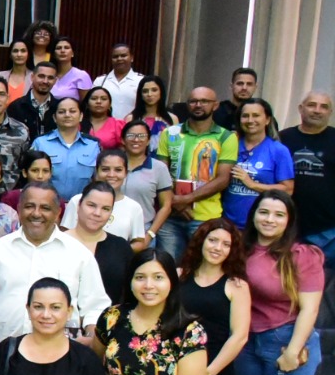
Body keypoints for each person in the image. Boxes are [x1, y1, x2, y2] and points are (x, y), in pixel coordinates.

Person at [236, 191, 325, 375]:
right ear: (253, 215)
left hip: (286, 341)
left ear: (289, 221)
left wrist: (292, 351)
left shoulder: (302, 256)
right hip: (248, 342)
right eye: (264, 212)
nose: (269, 219)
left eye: (278, 214)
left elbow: (310, 310)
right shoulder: (240, 247)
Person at [0, 183, 111, 348]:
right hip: (5, 353)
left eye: (45, 208)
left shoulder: (78, 254)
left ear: (57, 213)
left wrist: (89, 339)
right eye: (29, 206)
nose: (36, 213)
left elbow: (95, 308)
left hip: (62, 355)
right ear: (18, 209)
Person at [177, 219, 252, 375]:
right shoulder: (178, 276)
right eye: (213, 240)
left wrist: (207, 373)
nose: (218, 248)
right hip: (174, 367)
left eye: (226, 244)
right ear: (201, 241)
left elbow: (239, 336)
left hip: (214, 374)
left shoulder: (237, 285)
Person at [155, 87, 238, 259]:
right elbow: (160, 173)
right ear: (187, 105)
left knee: (201, 270)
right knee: (168, 269)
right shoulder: (169, 133)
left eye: (205, 101)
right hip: (169, 216)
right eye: (193, 101)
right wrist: (175, 203)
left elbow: (223, 179)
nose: (198, 105)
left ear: (215, 105)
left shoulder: (226, 137)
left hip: (206, 217)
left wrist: (184, 200)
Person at [279, 90, 335, 263]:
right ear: (301, 109)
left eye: (323, 107)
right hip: (287, 228)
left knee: (323, 285)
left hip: (328, 232)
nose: (317, 110)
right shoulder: (283, 138)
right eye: (312, 105)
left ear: (330, 112)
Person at [224, 98, 294, 229]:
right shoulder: (230, 144)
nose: (250, 120)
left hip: (259, 226)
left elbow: (288, 189)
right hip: (228, 223)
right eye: (245, 116)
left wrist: (252, 184)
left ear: (267, 120)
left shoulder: (278, 150)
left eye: (256, 115)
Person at [62, 182, 136, 304]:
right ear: (79, 206)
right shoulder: (59, 243)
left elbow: (129, 293)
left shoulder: (121, 248)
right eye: (91, 205)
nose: (97, 213)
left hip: (108, 320)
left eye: (105, 209)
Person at [34, 96, 100, 203]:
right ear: (55, 118)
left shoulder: (93, 146)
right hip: (46, 204)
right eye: (62, 112)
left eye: (72, 111)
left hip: (82, 205)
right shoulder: (40, 143)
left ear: (81, 116)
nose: (67, 115)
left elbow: (98, 178)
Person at [121, 120, 174, 248]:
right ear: (123, 140)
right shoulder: (112, 164)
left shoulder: (158, 168)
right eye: (131, 135)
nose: (136, 140)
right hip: (111, 228)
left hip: (143, 231)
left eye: (142, 136)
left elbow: (166, 206)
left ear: (149, 140)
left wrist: (149, 235)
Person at [8, 62, 59, 142]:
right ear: (32, 77)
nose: (45, 81)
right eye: (41, 76)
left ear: (55, 81)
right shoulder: (16, 107)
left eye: (50, 78)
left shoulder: (60, 108)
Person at [92, 43, 145, 120]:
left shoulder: (141, 80)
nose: (119, 59)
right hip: (106, 128)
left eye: (123, 55)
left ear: (132, 58)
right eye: (115, 56)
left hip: (133, 127)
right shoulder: (100, 81)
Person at [214, 66, 259, 132]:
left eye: (249, 84)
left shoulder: (262, 114)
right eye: (240, 83)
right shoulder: (217, 112)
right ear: (231, 86)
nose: (244, 88)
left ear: (255, 87)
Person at [82, 86, 126, 150]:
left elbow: (124, 150)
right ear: (87, 104)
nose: (99, 101)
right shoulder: (77, 124)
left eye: (104, 99)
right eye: (94, 98)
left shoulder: (118, 125)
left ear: (109, 105)